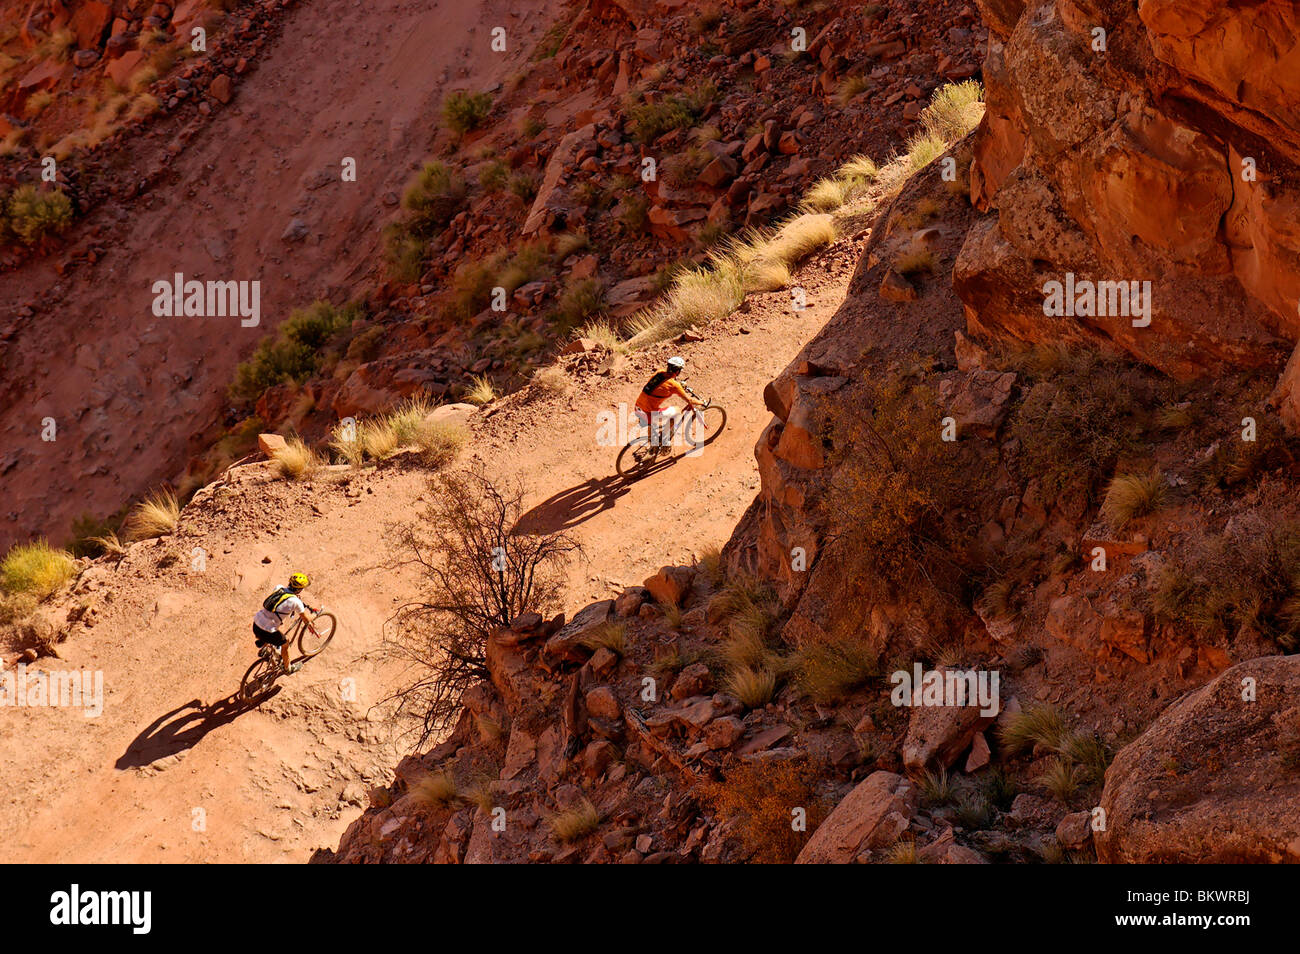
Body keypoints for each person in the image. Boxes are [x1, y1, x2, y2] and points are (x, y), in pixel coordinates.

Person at [252, 572, 320, 675]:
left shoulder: (278, 588)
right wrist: (316, 614)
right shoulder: (295, 602)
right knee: (285, 644)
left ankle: (264, 646)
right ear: (299, 589)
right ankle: (288, 668)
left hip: (256, 623)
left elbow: (280, 601)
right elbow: (307, 619)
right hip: (268, 631)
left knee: (272, 625)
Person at [634, 356, 704, 450]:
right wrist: (701, 402)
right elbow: (689, 400)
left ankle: (653, 442)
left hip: (638, 407)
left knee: (653, 418)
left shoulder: (659, 373)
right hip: (650, 413)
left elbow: (662, 383)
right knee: (678, 411)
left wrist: (678, 385)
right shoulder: (674, 386)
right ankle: (664, 440)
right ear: (678, 371)